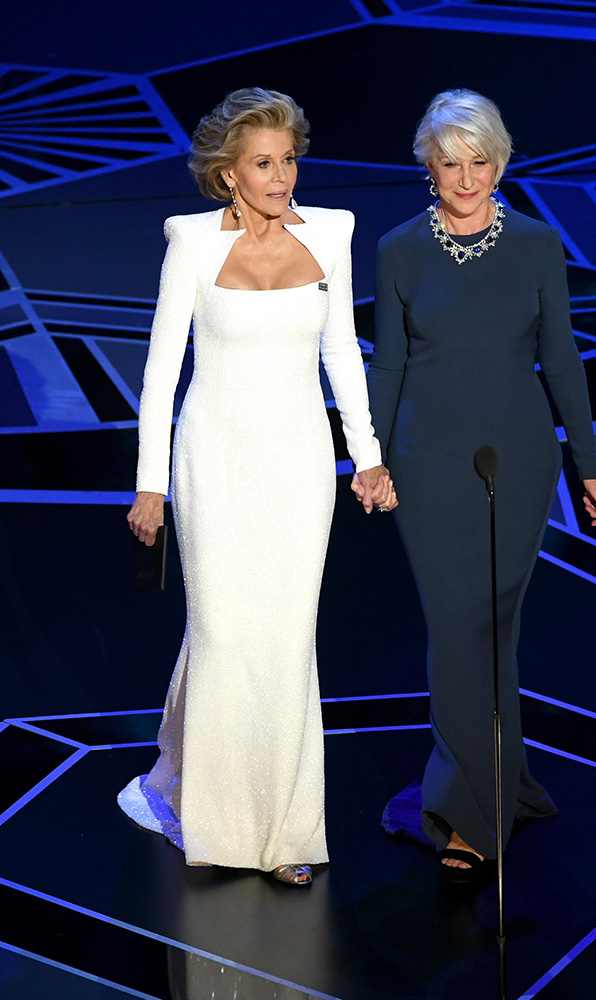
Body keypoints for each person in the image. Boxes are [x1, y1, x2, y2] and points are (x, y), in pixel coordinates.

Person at [118, 87, 397, 885]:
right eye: (264, 164)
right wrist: (150, 486)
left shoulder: (333, 234)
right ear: (228, 175)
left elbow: (342, 353)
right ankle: (215, 821)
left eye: (289, 160)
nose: (282, 177)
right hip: (214, 461)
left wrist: (366, 456)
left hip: (299, 463)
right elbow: (161, 371)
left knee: (281, 641)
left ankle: (283, 833)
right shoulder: (193, 246)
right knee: (223, 635)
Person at [363, 89, 596, 883]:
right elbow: (388, 363)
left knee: (494, 631)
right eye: (449, 162)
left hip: (518, 459)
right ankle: (470, 808)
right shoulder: (398, 248)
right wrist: (366, 457)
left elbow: (563, 357)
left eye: (479, 162)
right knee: (457, 630)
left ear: (499, 163)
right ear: (426, 166)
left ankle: (499, 785)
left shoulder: (537, 245)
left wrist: (590, 462)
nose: (465, 178)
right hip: (425, 462)